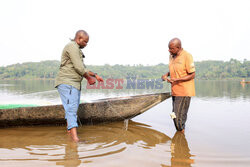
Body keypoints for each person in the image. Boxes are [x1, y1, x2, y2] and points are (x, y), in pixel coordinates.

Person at [55, 30, 103, 142]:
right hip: (68, 82)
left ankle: (69, 134)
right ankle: (75, 139)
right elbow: (78, 67)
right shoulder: (72, 47)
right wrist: (88, 78)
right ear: (79, 39)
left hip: (74, 84)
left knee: (71, 109)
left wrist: (95, 75)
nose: (86, 44)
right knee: (71, 109)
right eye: (85, 42)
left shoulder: (77, 50)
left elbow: (83, 68)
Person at [162, 38, 195, 133]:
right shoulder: (172, 56)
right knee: (173, 114)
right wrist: (166, 75)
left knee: (179, 117)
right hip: (175, 91)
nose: (169, 50)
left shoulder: (187, 56)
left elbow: (192, 75)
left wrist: (176, 79)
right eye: (168, 48)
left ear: (178, 47)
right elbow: (174, 69)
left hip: (184, 91)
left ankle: (181, 137)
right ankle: (180, 135)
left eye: (171, 48)